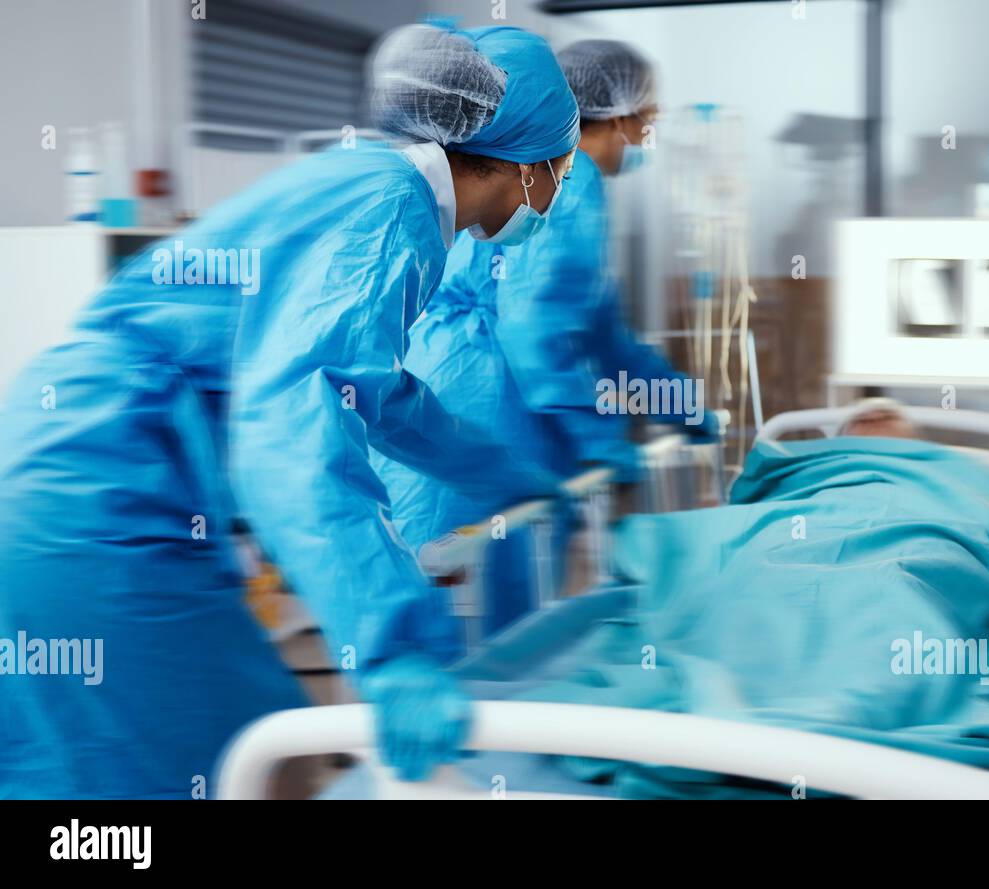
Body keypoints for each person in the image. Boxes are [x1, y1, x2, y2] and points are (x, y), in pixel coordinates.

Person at [0, 22, 579, 798]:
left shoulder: (378, 186)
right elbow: (294, 418)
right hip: (100, 500)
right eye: (563, 168)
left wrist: (499, 466)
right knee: (195, 777)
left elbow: (372, 392)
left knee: (236, 761)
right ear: (531, 165)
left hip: (78, 468)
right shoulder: (392, 210)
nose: (560, 191)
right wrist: (392, 646)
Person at [373, 39, 713, 635]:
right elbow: (534, 328)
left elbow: (600, 331)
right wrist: (592, 432)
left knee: (507, 606)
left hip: (471, 387)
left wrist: (675, 398)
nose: (652, 131)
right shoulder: (567, 186)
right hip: (482, 397)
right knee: (486, 620)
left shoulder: (573, 189)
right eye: (650, 116)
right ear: (620, 116)